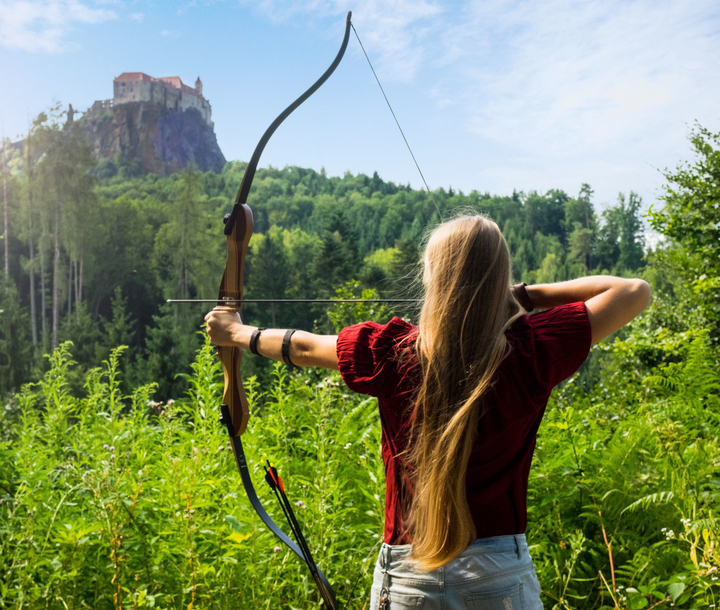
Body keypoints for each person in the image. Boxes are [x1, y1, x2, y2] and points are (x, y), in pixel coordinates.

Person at [205, 214, 651, 609]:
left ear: (431, 278)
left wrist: (238, 331)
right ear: (501, 278)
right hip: (499, 578)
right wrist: (520, 296)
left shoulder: (388, 351)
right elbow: (632, 291)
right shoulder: (532, 349)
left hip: (409, 575)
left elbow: (300, 347)